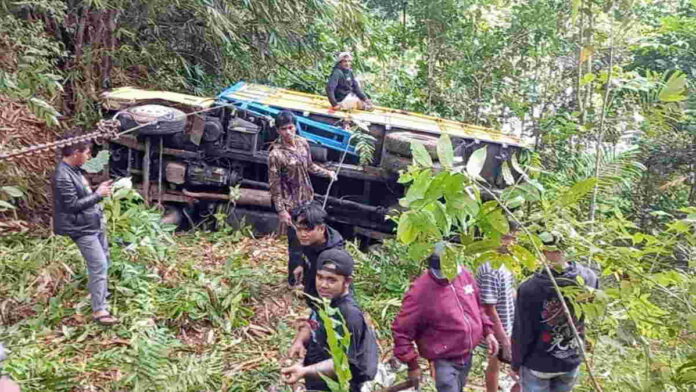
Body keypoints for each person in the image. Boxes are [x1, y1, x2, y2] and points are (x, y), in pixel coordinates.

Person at [391, 246, 499, 392]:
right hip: (443, 359)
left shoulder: (465, 276)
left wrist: (488, 332)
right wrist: (412, 364)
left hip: (467, 354)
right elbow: (402, 330)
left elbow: (478, 306)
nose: (449, 277)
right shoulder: (420, 292)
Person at [281, 248, 378, 392]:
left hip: (340, 384)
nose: (323, 285)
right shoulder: (324, 297)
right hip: (317, 371)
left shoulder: (349, 314)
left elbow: (344, 363)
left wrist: (304, 371)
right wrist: (300, 341)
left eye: (331, 280)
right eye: (320, 277)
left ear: (347, 281)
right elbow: (312, 323)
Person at [511, 234, 599, 392]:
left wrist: (516, 363)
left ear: (543, 250)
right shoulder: (588, 278)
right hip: (571, 359)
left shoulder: (530, 288)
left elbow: (522, 331)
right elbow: (594, 311)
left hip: (538, 363)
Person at [52, 130, 118, 326]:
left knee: (104, 259)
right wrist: (98, 194)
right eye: (87, 152)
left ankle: (102, 294)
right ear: (75, 153)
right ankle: (99, 311)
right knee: (98, 264)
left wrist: (99, 194)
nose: (89, 156)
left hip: (92, 223)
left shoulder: (75, 171)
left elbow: (83, 195)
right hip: (80, 228)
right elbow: (71, 205)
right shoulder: (62, 176)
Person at [268, 111, 337, 288]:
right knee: (296, 246)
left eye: (291, 127)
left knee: (312, 241)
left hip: (308, 200)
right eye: (284, 129)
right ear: (278, 130)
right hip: (291, 205)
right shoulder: (275, 155)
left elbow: (310, 166)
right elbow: (274, 187)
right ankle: (293, 282)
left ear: (295, 126)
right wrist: (282, 211)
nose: (288, 132)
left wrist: (327, 173)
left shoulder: (302, 143)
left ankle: (308, 277)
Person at [477, 222, 519, 392]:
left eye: (513, 238)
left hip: (508, 320)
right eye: (505, 238)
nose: (510, 242)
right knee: (494, 362)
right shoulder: (489, 269)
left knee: (499, 364)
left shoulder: (505, 263)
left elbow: (509, 291)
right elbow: (488, 307)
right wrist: (502, 337)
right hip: (496, 327)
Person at [290, 201, 345, 308]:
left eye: (307, 230)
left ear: (321, 229)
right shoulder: (309, 239)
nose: (302, 234)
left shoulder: (333, 257)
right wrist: (301, 264)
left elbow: (336, 292)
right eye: (299, 229)